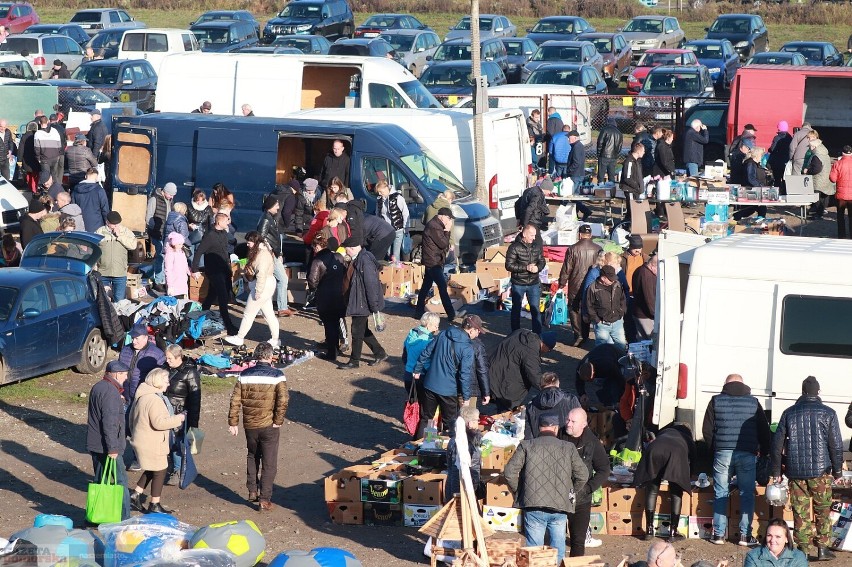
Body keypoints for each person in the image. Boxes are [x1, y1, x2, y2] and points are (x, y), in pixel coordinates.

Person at [769, 376, 843, 561]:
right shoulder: (828, 413)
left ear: (802, 392)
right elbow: (836, 445)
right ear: (818, 392)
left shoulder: (789, 413)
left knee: (800, 512)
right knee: (823, 511)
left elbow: (776, 446)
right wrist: (838, 472)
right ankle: (823, 549)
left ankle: (802, 550)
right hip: (821, 472)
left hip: (796, 472)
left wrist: (777, 472)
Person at [504, 413, 589, 566]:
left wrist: (519, 492)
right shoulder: (568, 448)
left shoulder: (526, 445)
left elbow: (509, 472)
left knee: (534, 552)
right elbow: (583, 475)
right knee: (557, 551)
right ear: (556, 428)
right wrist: (570, 492)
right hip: (559, 506)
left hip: (533, 505)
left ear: (539, 428)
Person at [702, 373, 771, 547]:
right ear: (743, 384)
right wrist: (764, 451)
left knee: (720, 492)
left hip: (722, 453)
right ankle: (745, 536)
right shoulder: (753, 402)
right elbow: (764, 429)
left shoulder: (715, 401)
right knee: (747, 493)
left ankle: (718, 535)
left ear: (726, 384)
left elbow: (707, 430)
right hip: (747, 453)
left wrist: (714, 450)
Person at [228, 342, 288, 511]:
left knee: (252, 455)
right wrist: (278, 420)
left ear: (256, 356)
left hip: (250, 425)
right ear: (270, 356)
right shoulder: (278, 375)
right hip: (269, 425)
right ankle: (265, 498)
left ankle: (252, 490)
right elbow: (283, 400)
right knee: (269, 462)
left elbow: (235, 400)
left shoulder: (244, 375)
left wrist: (233, 422)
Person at [412, 314, 482, 437]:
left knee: (426, 419)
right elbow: (464, 375)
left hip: (430, 384)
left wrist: (417, 369)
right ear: (471, 330)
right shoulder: (467, 348)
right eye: (478, 331)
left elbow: (427, 352)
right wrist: (466, 398)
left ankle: (421, 448)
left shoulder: (443, 334)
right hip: (448, 391)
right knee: (449, 423)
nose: (478, 334)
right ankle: (445, 451)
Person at [128, 369, 185, 513]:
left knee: (152, 467)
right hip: (152, 441)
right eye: (166, 381)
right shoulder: (154, 399)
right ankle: (155, 504)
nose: (168, 383)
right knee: (160, 470)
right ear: (158, 382)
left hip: (143, 439)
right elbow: (159, 423)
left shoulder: (142, 395)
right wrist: (179, 419)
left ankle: (135, 495)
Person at [86, 360, 132, 521]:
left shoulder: (98, 386)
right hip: (109, 447)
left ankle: (98, 514)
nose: (126, 378)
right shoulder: (111, 393)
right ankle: (124, 517)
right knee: (120, 482)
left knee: (100, 481)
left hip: (96, 444)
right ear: (117, 374)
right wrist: (113, 448)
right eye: (125, 374)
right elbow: (110, 423)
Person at [633, 423, 696, 541]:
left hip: (654, 449)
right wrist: (687, 477)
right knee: (676, 492)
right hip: (676, 453)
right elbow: (692, 462)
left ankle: (649, 530)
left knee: (651, 490)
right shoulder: (687, 439)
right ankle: (673, 532)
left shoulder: (664, 432)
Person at [564, 407, 610, 556]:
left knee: (578, 540)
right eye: (568, 420)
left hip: (581, 498)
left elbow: (604, 469)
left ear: (583, 424)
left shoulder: (592, 442)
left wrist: (589, 488)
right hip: (558, 494)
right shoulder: (559, 436)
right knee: (555, 538)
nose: (568, 424)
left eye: (573, 421)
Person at [225, 231, 279, 348]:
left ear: (255, 241)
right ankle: (275, 340)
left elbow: (261, 274)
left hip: (263, 285)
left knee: (248, 314)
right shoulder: (260, 251)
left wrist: (258, 291)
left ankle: (239, 337)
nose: (247, 244)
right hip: (267, 284)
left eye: (249, 241)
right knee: (268, 314)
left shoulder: (262, 255)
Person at [339, 237, 387, 369]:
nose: (345, 251)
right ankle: (379, 352)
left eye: (346, 249)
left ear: (353, 248)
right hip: (359, 300)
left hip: (362, 302)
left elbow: (371, 284)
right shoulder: (361, 258)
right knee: (362, 330)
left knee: (356, 331)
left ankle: (354, 361)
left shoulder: (364, 260)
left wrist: (374, 306)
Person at [192, 213, 239, 336]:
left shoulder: (223, 234)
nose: (228, 223)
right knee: (223, 298)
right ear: (219, 222)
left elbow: (225, 251)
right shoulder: (210, 236)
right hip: (214, 272)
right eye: (226, 221)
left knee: (210, 297)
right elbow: (199, 251)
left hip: (224, 270)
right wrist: (195, 269)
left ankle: (199, 319)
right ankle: (229, 326)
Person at [489, 329, 557, 411]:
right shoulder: (531, 351)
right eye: (549, 350)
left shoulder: (521, 333)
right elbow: (534, 375)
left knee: (501, 400)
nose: (547, 352)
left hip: (494, 368)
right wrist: (548, 388)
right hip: (505, 381)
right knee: (507, 408)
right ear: (545, 346)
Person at [559, 224, 602, 347]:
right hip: (592, 283)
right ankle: (586, 334)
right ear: (590, 235)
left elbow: (567, 268)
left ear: (579, 235)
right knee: (587, 308)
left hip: (575, 283)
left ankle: (578, 335)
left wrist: (562, 282)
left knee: (574, 309)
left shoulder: (573, 249)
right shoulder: (598, 248)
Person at [163, 344, 201, 485]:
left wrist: (193, 423)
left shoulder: (190, 372)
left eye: (170, 358)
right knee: (169, 441)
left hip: (180, 413)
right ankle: (175, 467)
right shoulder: (164, 368)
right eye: (166, 358)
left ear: (179, 357)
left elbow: (195, 399)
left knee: (178, 443)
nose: (167, 361)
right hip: (165, 411)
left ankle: (178, 470)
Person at [308, 233, 348, 362]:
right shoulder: (338, 257)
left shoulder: (317, 261)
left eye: (314, 247)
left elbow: (312, 280)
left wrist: (314, 290)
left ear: (317, 247)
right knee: (336, 322)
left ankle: (332, 352)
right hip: (339, 294)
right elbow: (345, 272)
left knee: (329, 324)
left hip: (325, 296)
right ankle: (336, 347)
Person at [415, 207, 456, 321]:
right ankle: (451, 314)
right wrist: (447, 230)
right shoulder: (434, 226)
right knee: (442, 287)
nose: (449, 221)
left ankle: (418, 312)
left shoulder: (436, 225)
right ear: (442, 216)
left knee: (426, 286)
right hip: (433, 262)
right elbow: (443, 244)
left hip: (433, 260)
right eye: (449, 218)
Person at [257, 195, 293, 318]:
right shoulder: (267, 219)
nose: (278, 207)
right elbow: (261, 236)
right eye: (276, 204)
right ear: (270, 206)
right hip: (270, 254)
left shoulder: (269, 218)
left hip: (273, 253)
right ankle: (281, 307)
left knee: (268, 280)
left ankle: (264, 309)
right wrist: (270, 250)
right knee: (282, 279)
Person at [506, 224, 546, 334]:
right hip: (518, 283)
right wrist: (526, 268)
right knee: (516, 309)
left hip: (533, 283)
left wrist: (538, 268)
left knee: (535, 309)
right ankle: (515, 333)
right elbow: (509, 265)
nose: (534, 238)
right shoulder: (514, 247)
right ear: (524, 234)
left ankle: (537, 334)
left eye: (535, 235)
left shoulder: (536, 246)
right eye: (532, 235)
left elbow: (542, 261)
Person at [444, 406, 484, 501]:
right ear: (470, 423)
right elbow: (456, 470)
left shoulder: (459, 440)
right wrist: (458, 495)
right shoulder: (462, 443)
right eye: (477, 420)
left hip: (464, 487)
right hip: (462, 491)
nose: (478, 423)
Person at [119, 322, 167, 403]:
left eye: (137, 338)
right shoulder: (125, 350)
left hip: (143, 399)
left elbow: (159, 380)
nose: (134, 341)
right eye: (132, 338)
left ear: (145, 338)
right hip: (124, 397)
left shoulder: (157, 354)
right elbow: (118, 372)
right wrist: (119, 391)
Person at [524, 371, 580, 439]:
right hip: (566, 445)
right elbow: (580, 425)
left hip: (539, 446)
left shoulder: (531, 405)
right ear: (558, 383)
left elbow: (528, 435)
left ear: (541, 385)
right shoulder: (571, 399)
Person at [96, 212, 137, 301]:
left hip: (120, 272)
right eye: (113, 224)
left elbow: (133, 245)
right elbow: (93, 250)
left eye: (117, 224)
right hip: (103, 272)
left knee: (119, 300)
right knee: (103, 300)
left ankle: (119, 315)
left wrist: (120, 236)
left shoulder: (125, 231)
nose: (116, 226)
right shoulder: (100, 232)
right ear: (107, 222)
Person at [586, 264, 627, 350]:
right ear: (603, 278)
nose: (613, 280)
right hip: (602, 324)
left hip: (617, 322)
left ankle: (619, 362)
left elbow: (622, 299)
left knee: (622, 346)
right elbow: (589, 306)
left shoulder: (617, 284)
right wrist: (597, 320)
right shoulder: (593, 288)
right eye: (610, 279)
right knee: (602, 348)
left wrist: (621, 312)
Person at [575, 343, 626, 411]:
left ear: (593, 373)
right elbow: (578, 380)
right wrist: (582, 393)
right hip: (603, 354)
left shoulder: (606, 364)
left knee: (613, 386)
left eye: (590, 380)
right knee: (608, 389)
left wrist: (623, 394)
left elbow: (619, 377)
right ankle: (608, 402)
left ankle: (614, 404)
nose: (589, 382)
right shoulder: (581, 366)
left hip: (616, 356)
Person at [146, 182, 176, 291]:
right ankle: (159, 281)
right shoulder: (154, 199)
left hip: (166, 233)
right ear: (165, 191)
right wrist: (156, 228)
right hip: (157, 233)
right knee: (160, 256)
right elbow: (148, 217)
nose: (172, 197)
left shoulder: (170, 200)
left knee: (166, 257)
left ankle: (162, 279)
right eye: (171, 195)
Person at [744, 519, 808, 567]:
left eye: (778, 536)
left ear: (786, 539)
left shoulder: (798, 557)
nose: (772, 540)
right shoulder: (753, 556)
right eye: (769, 535)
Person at [402, 312, 440, 393]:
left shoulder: (412, 334)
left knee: (412, 402)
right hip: (420, 376)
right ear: (428, 325)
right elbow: (425, 362)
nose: (437, 328)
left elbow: (405, 354)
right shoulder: (427, 341)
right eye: (435, 325)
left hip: (408, 373)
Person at [375, 180, 409, 261]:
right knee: (388, 253)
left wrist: (406, 228)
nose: (379, 194)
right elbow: (377, 215)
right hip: (386, 231)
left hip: (397, 229)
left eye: (381, 191)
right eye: (378, 192)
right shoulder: (379, 200)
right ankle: (390, 270)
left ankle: (396, 271)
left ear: (386, 188)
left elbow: (405, 213)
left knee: (395, 255)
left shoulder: (398, 198)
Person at [733, 147, 770, 221]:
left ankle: (760, 222)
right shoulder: (750, 164)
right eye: (761, 155)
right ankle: (735, 218)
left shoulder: (753, 163)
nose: (762, 157)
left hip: (753, 190)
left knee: (760, 208)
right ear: (757, 155)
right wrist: (760, 186)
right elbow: (751, 178)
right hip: (750, 190)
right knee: (750, 210)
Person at [803, 130, 833, 220]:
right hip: (825, 178)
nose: (810, 148)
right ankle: (819, 213)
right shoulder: (824, 151)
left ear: (814, 146)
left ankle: (817, 214)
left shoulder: (817, 155)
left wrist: (807, 171)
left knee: (817, 198)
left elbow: (816, 169)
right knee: (823, 198)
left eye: (811, 146)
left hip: (819, 179)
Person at [566, 129, 593, 220]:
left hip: (576, 174)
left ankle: (586, 211)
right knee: (575, 197)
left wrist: (569, 170)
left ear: (575, 138)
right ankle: (576, 215)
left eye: (569, 138)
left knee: (574, 197)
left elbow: (576, 162)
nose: (568, 140)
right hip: (577, 174)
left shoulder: (577, 147)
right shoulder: (577, 146)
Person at [72, 167, 109, 231]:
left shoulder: (75, 190)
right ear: (97, 178)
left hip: (79, 225)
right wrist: (107, 223)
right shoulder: (99, 190)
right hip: (97, 226)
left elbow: (73, 208)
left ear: (85, 176)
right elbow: (105, 209)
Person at [632, 254, 658, 340]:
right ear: (653, 266)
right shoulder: (647, 276)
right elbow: (649, 299)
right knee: (651, 341)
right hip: (645, 315)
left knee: (641, 341)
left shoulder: (640, 269)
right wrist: (656, 315)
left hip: (638, 312)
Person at [830, 145, 852, 239]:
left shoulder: (837, 164)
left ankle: (842, 236)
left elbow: (833, 179)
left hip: (841, 195)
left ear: (842, 153)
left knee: (840, 217)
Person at [34, 116, 62, 182]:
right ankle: (56, 190)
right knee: (54, 175)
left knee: (45, 177)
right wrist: (58, 155)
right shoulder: (55, 131)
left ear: (39, 122)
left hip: (44, 158)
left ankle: (45, 191)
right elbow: (59, 145)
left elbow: (36, 148)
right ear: (48, 122)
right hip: (55, 157)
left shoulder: (37, 134)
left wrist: (38, 158)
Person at [163, 232, 191, 298]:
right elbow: (168, 270)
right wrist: (170, 286)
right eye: (179, 244)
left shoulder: (182, 252)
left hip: (183, 282)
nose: (181, 246)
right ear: (174, 244)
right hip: (174, 283)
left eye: (182, 244)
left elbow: (185, 265)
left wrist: (190, 272)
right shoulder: (170, 254)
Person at [597, 117, 623, 183]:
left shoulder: (604, 130)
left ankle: (600, 189)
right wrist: (616, 154)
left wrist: (599, 154)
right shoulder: (619, 133)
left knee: (601, 175)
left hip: (604, 155)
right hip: (614, 156)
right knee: (611, 175)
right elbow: (620, 147)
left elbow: (600, 143)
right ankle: (612, 190)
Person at [768, 121, 793, 189]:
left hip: (777, 162)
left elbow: (772, 149)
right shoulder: (790, 138)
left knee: (777, 179)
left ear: (779, 128)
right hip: (786, 161)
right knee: (785, 178)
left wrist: (769, 150)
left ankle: (777, 193)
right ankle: (785, 192)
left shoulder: (777, 138)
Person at [19, 121, 39, 193]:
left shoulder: (24, 136)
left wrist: (19, 160)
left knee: (28, 174)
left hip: (26, 160)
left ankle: (31, 188)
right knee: (35, 175)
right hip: (36, 159)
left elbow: (20, 150)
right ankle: (35, 189)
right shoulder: (38, 135)